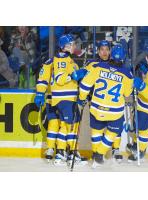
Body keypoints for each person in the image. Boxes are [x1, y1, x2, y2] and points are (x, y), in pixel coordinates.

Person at [78, 44, 133, 167]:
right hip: (114, 112)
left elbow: (84, 86)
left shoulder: (97, 67)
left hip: (96, 108)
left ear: (111, 55)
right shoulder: (127, 74)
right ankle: (99, 154)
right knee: (113, 132)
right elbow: (127, 94)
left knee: (96, 132)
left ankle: (96, 156)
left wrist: (81, 99)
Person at [48, 34, 87, 166]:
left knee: (70, 125)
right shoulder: (61, 59)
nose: (75, 46)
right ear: (66, 46)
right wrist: (74, 75)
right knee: (67, 126)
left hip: (68, 97)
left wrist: (79, 75)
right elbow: (60, 79)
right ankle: (61, 153)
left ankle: (70, 152)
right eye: (72, 44)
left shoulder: (68, 60)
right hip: (65, 98)